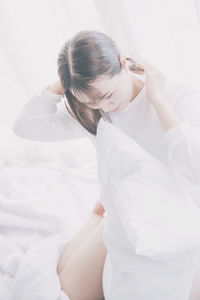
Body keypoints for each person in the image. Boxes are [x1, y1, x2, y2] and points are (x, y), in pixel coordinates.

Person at [13, 29, 200, 300]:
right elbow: (26, 127)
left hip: (179, 220)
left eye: (107, 94)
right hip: (128, 219)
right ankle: (97, 217)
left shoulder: (175, 96)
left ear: (123, 63)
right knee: (65, 287)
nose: (106, 106)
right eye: (91, 100)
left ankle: (96, 219)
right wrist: (64, 83)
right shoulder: (91, 108)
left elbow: (195, 167)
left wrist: (159, 102)